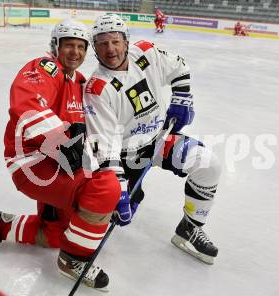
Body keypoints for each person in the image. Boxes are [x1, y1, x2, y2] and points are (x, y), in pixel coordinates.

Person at [0, 19, 120, 291]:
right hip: (33, 163)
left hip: (61, 164)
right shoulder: (45, 68)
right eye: (69, 45)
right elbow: (27, 104)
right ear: (56, 46)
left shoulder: (78, 81)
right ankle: (73, 260)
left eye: (81, 46)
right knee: (103, 187)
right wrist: (63, 143)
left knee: (55, 234)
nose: (75, 52)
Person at [83, 14, 222, 265]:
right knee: (117, 212)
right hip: (125, 155)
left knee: (208, 164)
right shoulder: (97, 89)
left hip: (159, 139)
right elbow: (104, 145)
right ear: (94, 48)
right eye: (102, 43)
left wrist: (182, 97)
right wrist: (120, 188)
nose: (110, 49)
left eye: (115, 41)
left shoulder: (146, 52)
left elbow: (180, 67)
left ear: (126, 41)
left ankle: (189, 229)